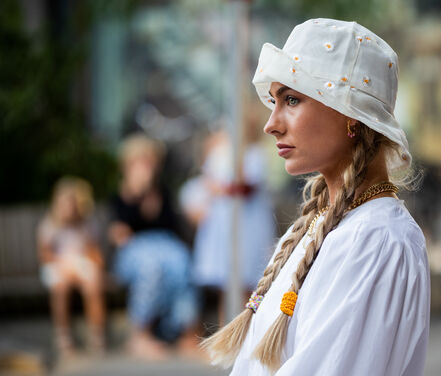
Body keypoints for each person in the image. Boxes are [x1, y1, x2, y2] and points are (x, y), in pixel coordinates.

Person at [201, 18, 430, 375]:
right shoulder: (322, 229)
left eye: (292, 99)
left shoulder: (376, 239)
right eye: (275, 101)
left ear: (349, 115)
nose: (271, 123)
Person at [108, 134, 199, 359]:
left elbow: (170, 224)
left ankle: (187, 332)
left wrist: (151, 196)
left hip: (166, 247)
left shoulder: (163, 192)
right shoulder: (121, 195)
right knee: (152, 267)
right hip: (135, 252)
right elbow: (121, 234)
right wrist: (136, 195)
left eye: (150, 161)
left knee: (182, 263)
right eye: (141, 161)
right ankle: (140, 334)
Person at [189, 126, 275, 327]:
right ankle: (225, 334)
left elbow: (245, 187)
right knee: (227, 287)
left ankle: (252, 330)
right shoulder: (218, 155)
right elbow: (207, 183)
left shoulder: (254, 155)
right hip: (225, 228)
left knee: (253, 284)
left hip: (250, 228)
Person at [37, 177, 106, 358]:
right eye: (65, 203)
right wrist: (64, 264)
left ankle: (96, 334)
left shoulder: (87, 224)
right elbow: (45, 255)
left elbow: (94, 252)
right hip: (57, 265)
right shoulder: (49, 224)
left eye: (73, 203)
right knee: (60, 288)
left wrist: (91, 264)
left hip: (81, 264)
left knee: (93, 285)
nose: (70, 208)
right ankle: (63, 335)